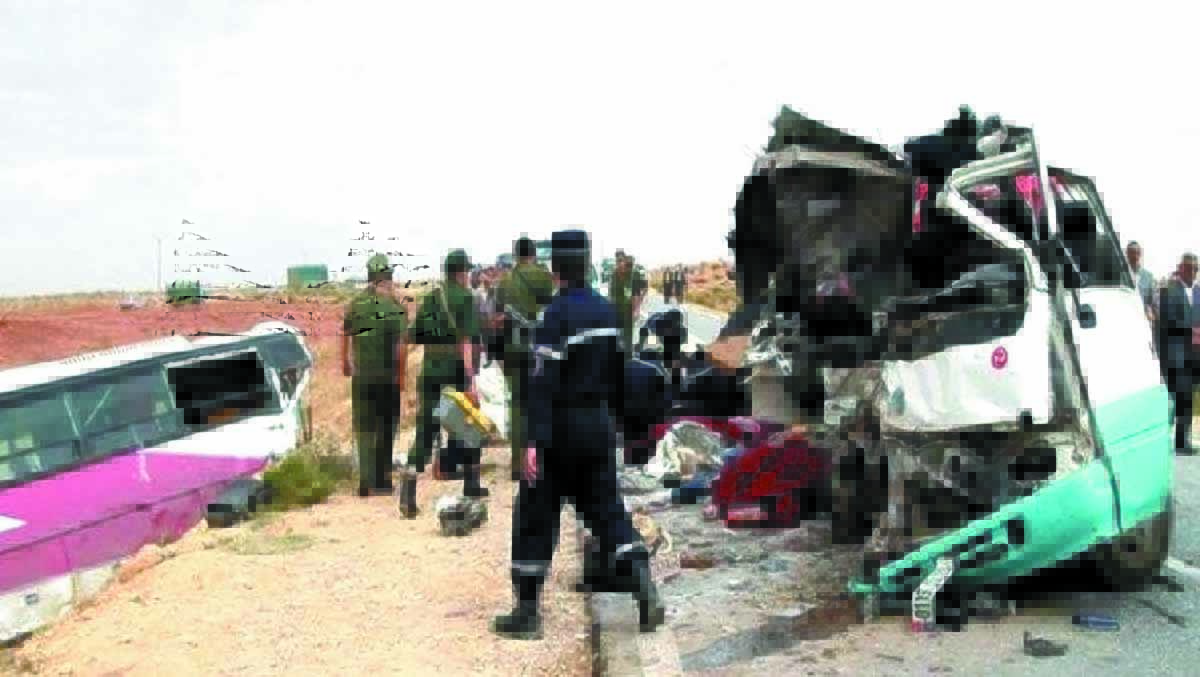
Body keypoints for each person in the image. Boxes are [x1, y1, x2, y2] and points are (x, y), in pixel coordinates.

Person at [490, 229, 666, 640]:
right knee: (607, 512)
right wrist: (617, 425)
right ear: (587, 264)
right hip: (599, 428)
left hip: (560, 431)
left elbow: (543, 383)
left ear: (555, 269)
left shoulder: (555, 317)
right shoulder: (606, 312)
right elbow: (620, 372)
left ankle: (527, 613)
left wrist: (533, 441)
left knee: (536, 513)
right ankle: (642, 580)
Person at [400, 249, 486, 517]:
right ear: (461, 272)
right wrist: (471, 380)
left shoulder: (431, 298)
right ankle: (471, 484)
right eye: (467, 271)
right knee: (468, 425)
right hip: (454, 372)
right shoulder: (465, 298)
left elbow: (410, 337)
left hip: (429, 372)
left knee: (426, 430)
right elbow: (467, 341)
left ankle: (408, 492)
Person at [342, 254, 409, 498]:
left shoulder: (356, 304)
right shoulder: (394, 308)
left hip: (361, 377)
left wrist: (345, 362)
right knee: (386, 426)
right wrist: (402, 376)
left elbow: (346, 333)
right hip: (386, 379)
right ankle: (381, 480)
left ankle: (364, 479)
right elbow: (401, 347)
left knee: (364, 426)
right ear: (388, 278)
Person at [494, 236, 556, 480]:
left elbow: (497, 321)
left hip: (512, 350)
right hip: (537, 351)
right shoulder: (542, 277)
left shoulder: (504, 282)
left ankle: (518, 465)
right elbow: (553, 309)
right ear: (533, 254)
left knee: (517, 405)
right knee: (540, 403)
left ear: (515, 255)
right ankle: (538, 462)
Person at [1158, 252, 1199, 455]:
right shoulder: (1169, 290)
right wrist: (1191, 330)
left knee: (1188, 399)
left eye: (1196, 268)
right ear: (1180, 268)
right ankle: (1160, 442)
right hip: (1176, 354)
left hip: (1194, 355)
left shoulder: (1199, 291)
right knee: (1174, 399)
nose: (1193, 271)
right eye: (1189, 267)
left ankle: (1182, 443)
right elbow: (1167, 320)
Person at [1127, 241, 1157, 325]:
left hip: (1143, 320)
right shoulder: (1121, 275)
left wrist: (1152, 315)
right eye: (1132, 252)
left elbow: (1152, 301)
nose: (1134, 256)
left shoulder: (1148, 276)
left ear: (1140, 254)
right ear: (1127, 254)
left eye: (1137, 252)